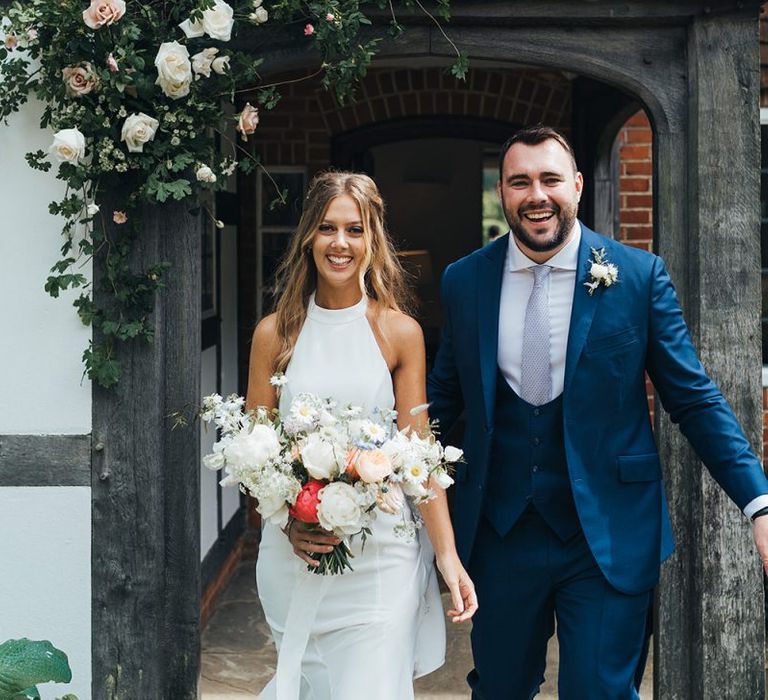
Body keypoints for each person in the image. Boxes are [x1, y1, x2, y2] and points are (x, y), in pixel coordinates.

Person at [427, 126, 768, 699]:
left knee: (599, 693)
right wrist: (371, 485)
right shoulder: (465, 281)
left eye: (550, 179)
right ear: (504, 191)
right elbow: (438, 409)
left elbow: (693, 398)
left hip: (609, 533)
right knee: (500, 690)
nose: (536, 194)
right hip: (500, 533)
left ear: (577, 186)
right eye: (520, 182)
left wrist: (759, 502)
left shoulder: (637, 278)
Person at [246, 171, 477, 700]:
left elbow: (418, 458)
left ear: (373, 239)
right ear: (308, 236)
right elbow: (254, 457)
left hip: (380, 565)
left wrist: (448, 558)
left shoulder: (400, 332)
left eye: (355, 229)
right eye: (327, 228)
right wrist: (286, 526)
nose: (340, 243)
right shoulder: (273, 334)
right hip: (295, 558)